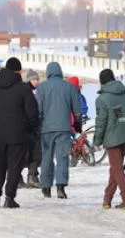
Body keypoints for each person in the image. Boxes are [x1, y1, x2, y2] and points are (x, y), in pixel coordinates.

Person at [0, 57, 38, 209]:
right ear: (18, 71)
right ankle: (9, 198)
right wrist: (31, 129)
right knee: (14, 167)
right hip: (18, 134)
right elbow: (33, 113)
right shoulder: (23, 88)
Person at [36, 61, 81, 199]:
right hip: (64, 128)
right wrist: (78, 124)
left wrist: (37, 125)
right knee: (62, 157)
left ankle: (46, 187)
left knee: (46, 157)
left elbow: (38, 109)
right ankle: (61, 187)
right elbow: (76, 109)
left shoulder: (41, 87)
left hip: (46, 128)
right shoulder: (70, 87)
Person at [93, 68, 125, 211]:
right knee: (115, 168)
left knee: (116, 168)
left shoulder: (102, 99)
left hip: (112, 136)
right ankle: (107, 199)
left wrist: (97, 141)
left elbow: (101, 121)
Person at [24, 69, 42, 188]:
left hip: (32, 126)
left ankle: (32, 175)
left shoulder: (36, 91)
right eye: (34, 79)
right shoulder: (26, 91)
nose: (36, 81)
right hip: (29, 127)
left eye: (37, 79)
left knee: (32, 153)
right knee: (34, 153)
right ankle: (31, 176)